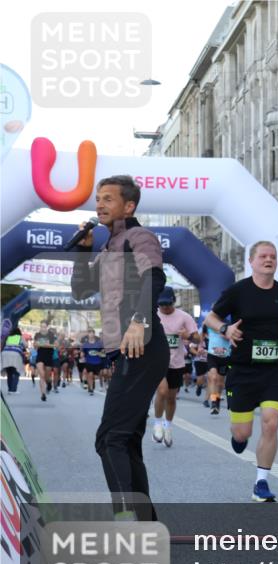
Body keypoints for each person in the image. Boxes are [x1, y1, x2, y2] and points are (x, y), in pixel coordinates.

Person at [70, 174, 169, 520]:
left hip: (142, 344)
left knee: (109, 438)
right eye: (98, 198)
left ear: (129, 206)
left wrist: (139, 321)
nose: (100, 204)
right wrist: (83, 251)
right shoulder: (108, 247)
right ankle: (146, 523)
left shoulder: (138, 237)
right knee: (125, 441)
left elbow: (154, 277)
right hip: (125, 349)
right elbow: (81, 290)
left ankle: (127, 521)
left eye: (108, 199)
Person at [205, 240, 278, 502]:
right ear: (251, 262)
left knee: (271, 422)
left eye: (273, 256)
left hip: (274, 369)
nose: (269, 260)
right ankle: (238, 437)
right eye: (263, 256)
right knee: (242, 432)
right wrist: (225, 329)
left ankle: (261, 482)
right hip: (243, 370)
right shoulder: (237, 291)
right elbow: (211, 318)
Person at [151, 286, 198, 447]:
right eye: (161, 304)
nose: (164, 307)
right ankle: (157, 423)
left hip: (176, 363)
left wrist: (188, 336)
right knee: (162, 391)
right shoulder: (153, 315)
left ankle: (168, 426)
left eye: (168, 304)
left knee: (171, 398)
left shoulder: (184, 317)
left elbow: (198, 339)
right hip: (157, 361)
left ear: (173, 301)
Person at [205, 318, 232, 415]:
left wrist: (226, 335)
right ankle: (213, 402)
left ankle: (217, 401)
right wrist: (200, 346)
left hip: (225, 357)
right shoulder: (209, 324)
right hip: (212, 356)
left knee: (220, 384)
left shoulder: (228, 324)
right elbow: (201, 335)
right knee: (213, 377)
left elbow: (232, 337)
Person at [33, 322, 57, 401]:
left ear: (47, 327)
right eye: (41, 326)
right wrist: (40, 344)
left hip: (48, 356)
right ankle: (43, 394)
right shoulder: (37, 334)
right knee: (41, 375)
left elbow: (55, 345)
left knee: (47, 376)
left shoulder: (51, 335)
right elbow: (35, 345)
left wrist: (43, 345)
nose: (43, 328)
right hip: (40, 355)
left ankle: (49, 382)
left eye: (44, 327)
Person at [2, 326, 26, 394]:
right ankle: (14, 390)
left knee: (9, 373)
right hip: (15, 355)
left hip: (5, 354)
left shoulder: (8, 337)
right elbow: (26, 345)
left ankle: (10, 389)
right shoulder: (20, 337)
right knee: (16, 372)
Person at [81, 328, 104, 395]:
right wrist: (82, 355)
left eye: (92, 333)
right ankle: (91, 389)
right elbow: (82, 353)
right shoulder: (85, 344)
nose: (91, 335)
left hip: (98, 362)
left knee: (95, 376)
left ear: (94, 334)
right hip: (89, 362)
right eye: (90, 333)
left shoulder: (99, 344)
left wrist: (99, 353)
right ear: (88, 335)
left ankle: (91, 384)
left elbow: (103, 352)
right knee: (90, 374)